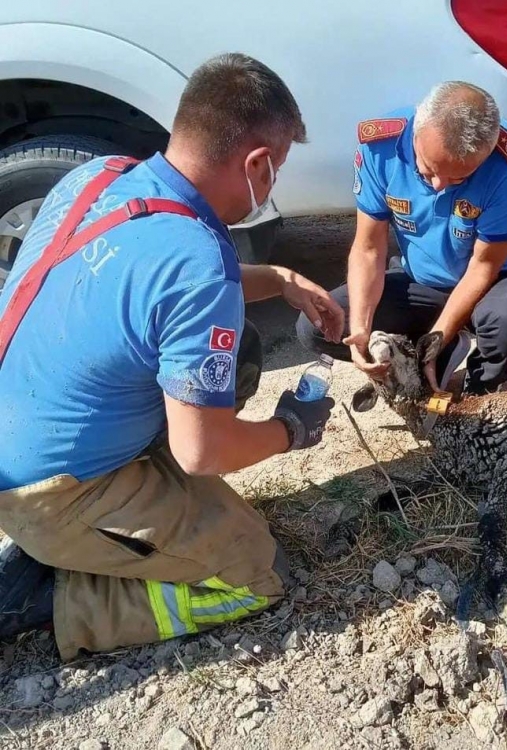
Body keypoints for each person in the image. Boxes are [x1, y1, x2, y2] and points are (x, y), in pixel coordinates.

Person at [0, 53, 344, 661]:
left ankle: (96, 527)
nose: (273, 185)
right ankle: (52, 601)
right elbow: (202, 451)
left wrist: (281, 278)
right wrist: (291, 431)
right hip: (49, 495)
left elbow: (155, 284)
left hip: (22, 440)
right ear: (257, 165)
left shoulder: (105, 176)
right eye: (276, 171)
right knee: (258, 574)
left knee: (231, 358)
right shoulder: (197, 266)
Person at [296, 81, 507, 396]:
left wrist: (436, 343)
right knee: (320, 326)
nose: (440, 185)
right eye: (428, 171)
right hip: (421, 281)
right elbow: (369, 248)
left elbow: (483, 266)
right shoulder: (380, 146)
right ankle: (427, 348)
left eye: (459, 178)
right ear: (416, 134)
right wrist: (361, 328)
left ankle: (478, 391)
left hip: (493, 282)